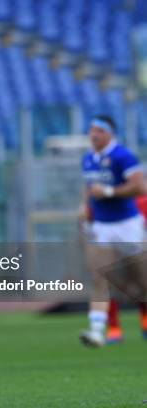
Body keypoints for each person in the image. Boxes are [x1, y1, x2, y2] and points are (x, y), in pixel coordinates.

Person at [80, 115, 145, 347]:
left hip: (127, 224)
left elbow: (140, 186)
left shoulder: (122, 156)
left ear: (110, 133)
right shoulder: (88, 159)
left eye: (99, 130)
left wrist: (109, 192)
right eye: (91, 130)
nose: (94, 134)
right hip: (102, 225)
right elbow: (89, 188)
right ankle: (97, 330)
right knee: (99, 276)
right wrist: (85, 208)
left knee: (141, 280)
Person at [104, 193, 147, 343]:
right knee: (109, 285)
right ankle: (114, 329)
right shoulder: (104, 203)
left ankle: (145, 322)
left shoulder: (142, 201)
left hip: (137, 249)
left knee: (141, 284)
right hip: (113, 250)